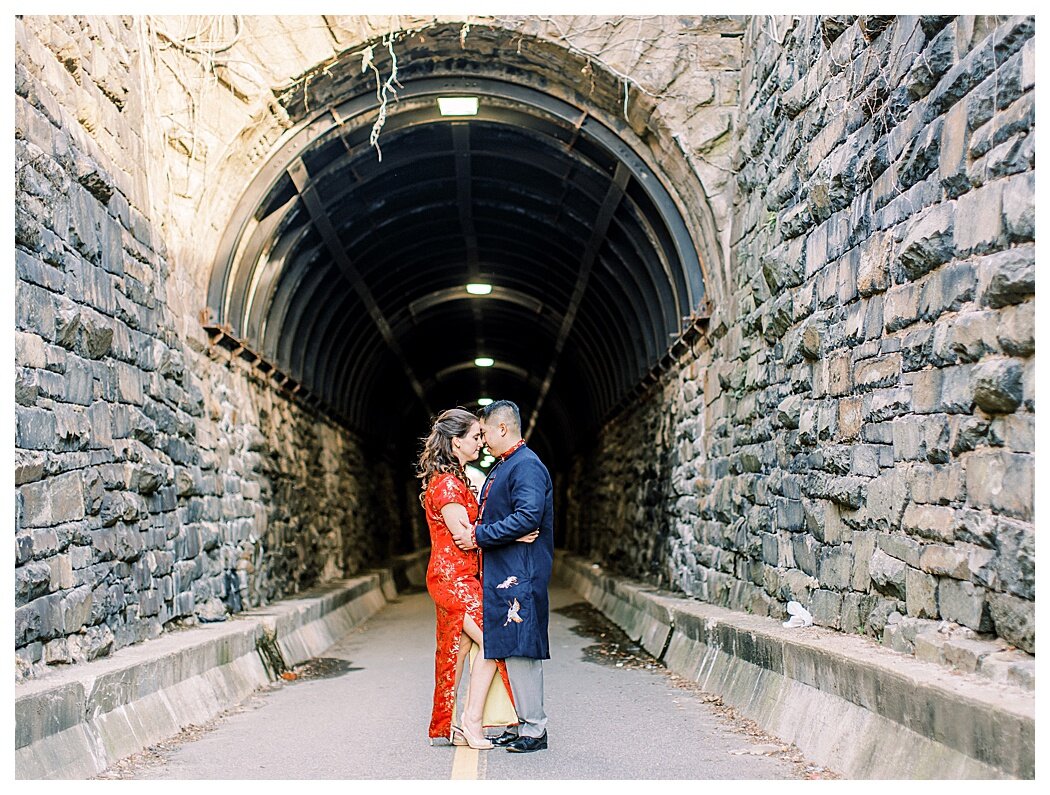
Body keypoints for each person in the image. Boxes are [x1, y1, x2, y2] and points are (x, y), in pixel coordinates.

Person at [417, 408, 530, 749]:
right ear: (456, 442)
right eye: (475, 437)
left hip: (463, 576)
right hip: (453, 579)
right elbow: (463, 534)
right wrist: (514, 534)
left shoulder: (457, 478)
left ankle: (449, 723)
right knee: (492, 641)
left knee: (459, 648)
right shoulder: (448, 484)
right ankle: (472, 721)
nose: (482, 442)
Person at [450, 400, 554, 753]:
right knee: (510, 648)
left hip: (522, 572)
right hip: (508, 572)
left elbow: (528, 516)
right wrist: (496, 530)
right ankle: (521, 723)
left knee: (523, 649)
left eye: (485, 432)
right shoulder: (505, 466)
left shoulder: (525, 466)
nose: (482, 440)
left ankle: (535, 729)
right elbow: (514, 518)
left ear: (503, 429)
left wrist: (480, 535)